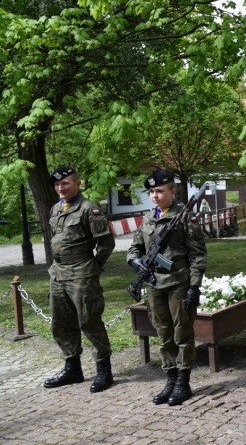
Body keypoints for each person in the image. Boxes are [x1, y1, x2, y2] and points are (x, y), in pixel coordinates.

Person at [127, 169, 207, 406]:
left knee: (182, 333)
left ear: (172, 191)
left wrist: (194, 287)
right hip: (154, 284)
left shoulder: (185, 218)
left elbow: (198, 256)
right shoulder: (148, 218)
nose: (155, 196)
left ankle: (183, 381)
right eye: (151, 192)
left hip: (178, 285)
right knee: (163, 334)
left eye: (160, 191)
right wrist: (136, 262)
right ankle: (170, 378)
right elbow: (134, 248)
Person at [44, 166, 116, 393]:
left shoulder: (89, 209)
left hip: (81, 273)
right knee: (61, 322)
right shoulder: (55, 209)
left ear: (77, 183)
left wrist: (93, 268)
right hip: (58, 272)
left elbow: (106, 243)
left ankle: (104, 370)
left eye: (64, 183)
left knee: (89, 321)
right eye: (57, 185)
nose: (60, 188)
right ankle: (72, 368)